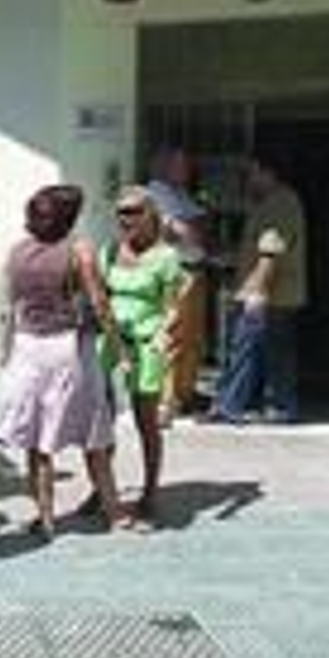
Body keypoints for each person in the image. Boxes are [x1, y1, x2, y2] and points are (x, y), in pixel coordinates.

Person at [0, 184, 128, 539]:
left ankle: (46, 516)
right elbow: (99, 302)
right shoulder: (78, 250)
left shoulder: (16, 252)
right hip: (69, 349)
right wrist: (119, 348)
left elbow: (7, 308)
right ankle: (115, 513)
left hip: (27, 347)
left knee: (37, 439)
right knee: (94, 433)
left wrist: (4, 352)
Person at [98, 187, 187, 517]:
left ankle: (150, 490)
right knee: (99, 419)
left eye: (134, 211)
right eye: (121, 211)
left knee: (145, 420)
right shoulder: (108, 251)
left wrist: (164, 334)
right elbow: (98, 293)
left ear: (151, 214)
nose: (126, 218)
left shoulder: (165, 256)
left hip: (145, 343)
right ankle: (101, 487)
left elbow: (174, 306)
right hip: (108, 340)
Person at [211, 155, 306, 424]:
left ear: (268, 173)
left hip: (273, 295)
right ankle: (269, 406)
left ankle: (237, 406)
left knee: (251, 350)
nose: (247, 180)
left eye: (252, 173)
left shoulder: (281, 203)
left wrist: (256, 292)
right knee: (266, 352)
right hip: (269, 293)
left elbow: (270, 253)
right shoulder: (269, 202)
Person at [145, 147, 209, 422]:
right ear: (163, 166)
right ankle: (164, 403)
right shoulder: (155, 193)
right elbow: (183, 232)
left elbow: (200, 229)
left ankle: (183, 395)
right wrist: (190, 229)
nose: (187, 171)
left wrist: (193, 229)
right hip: (175, 273)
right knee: (172, 338)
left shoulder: (180, 194)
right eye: (182, 165)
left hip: (193, 270)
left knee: (192, 340)